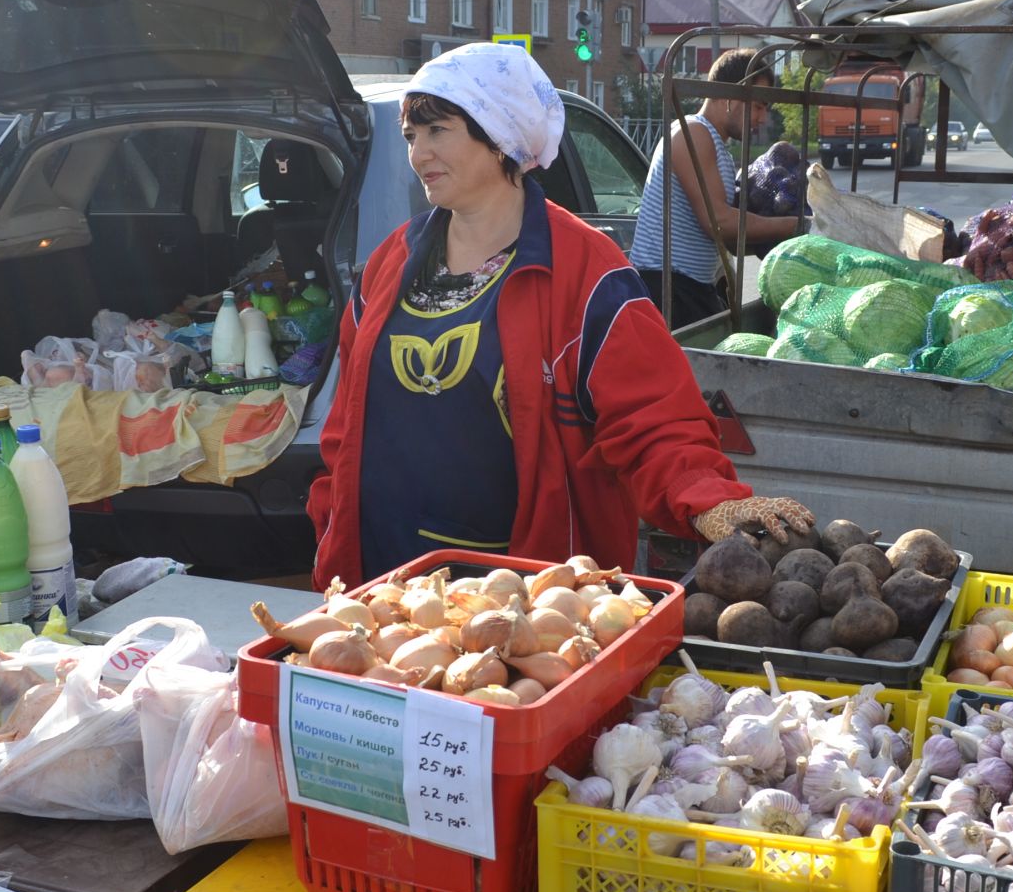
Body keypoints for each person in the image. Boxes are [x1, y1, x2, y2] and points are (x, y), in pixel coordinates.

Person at [308, 40, 813, 594]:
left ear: (499, 133)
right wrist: (331, 526)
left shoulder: (587, 271)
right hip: (383, 582)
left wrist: (711, 502)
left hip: (524, 599)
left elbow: (655, 421)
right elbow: (346, 427)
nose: (418, 153)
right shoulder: (392, 262)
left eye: (437, 131)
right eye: (411, 135)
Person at [628, 47, 804, 328]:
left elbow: (729, 240)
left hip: (691, 288)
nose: (761, 119)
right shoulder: (692, 134)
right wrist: (795, 225)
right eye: (758, 105)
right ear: (729, 96)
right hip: (667, 290)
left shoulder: (715, 145)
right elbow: (718, 222)